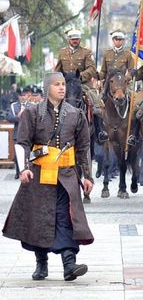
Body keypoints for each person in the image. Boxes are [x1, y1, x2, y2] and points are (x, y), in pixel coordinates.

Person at [2, 72, 94, 281]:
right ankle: (41, 263)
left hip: (66, 176)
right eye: (56, 84)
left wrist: (88, 176)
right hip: (39, 176)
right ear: (47, 88)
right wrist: (24, 169)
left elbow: (83, 147)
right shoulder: (32, 113)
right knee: (39, 219)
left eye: (63, 84)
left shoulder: (76, 114)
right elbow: (22, 143)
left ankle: (69, 264)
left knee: (66, 217)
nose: (62, 88)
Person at [97, 30, 134, 143]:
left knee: (135, 105)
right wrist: (98, 76)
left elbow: (131, 70)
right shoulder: (107, 54)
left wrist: (127, 78)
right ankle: (101, 131)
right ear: (113, 40)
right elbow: (103, 71)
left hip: (123, 85)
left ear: (123, 41)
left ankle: (132, 134)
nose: (118, 41)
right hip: (109, 86)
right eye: (116, 39)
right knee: (97, 106)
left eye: (120, 40)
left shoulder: (128, 54)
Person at [7, 87, 31, 179]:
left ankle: (28, 171)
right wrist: (19, 116)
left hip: (29, 133)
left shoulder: (32, 105)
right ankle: (18, 172)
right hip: (18, 133)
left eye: (24, 95)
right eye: (21, 95)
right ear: (18, 96)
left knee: (29, 153)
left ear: (27, 95)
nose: (22, 97)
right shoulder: (14, 106)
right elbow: (10, 118)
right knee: (18, 153)